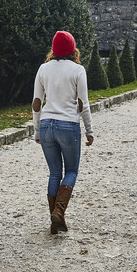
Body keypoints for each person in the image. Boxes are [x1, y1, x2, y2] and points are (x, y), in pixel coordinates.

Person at [32, 31, 94, 234]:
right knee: (71, 171)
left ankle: (55, 222)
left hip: (47, 124)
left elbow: (37, 103)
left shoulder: (43, 69)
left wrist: (36, 130)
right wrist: (89, 130)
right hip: (68, 125)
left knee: (54, 173)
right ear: (73, 49)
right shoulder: (78, 70)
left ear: (54, 49)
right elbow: (83, 104)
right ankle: (59, 210)